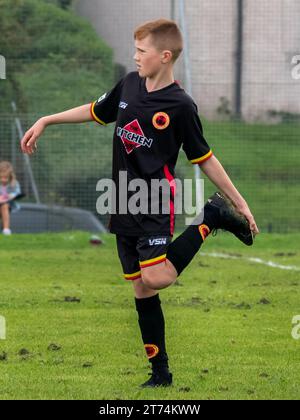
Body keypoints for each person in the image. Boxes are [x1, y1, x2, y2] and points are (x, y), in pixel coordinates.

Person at [20, 19, 259, 388]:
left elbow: (205, 157)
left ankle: (211, 216)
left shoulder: (180, 105)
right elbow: (96, 110)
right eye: (135, 50)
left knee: (155, 276)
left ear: (164, 56)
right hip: (122, 200)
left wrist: (239, 202)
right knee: (140, 287)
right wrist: (47, 120)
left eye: (141, 51)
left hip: (154, 201)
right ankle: (160, 374)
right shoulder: (130, 84)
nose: (135, 57)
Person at [0, 161, 22, 235]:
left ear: (10, 176)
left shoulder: (14, 183)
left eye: (5, 177)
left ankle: (6, 230)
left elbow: (18, 192)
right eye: (1, 177)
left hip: (8, 205)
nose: (3, 180)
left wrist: (12, 195)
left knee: (4, 206)